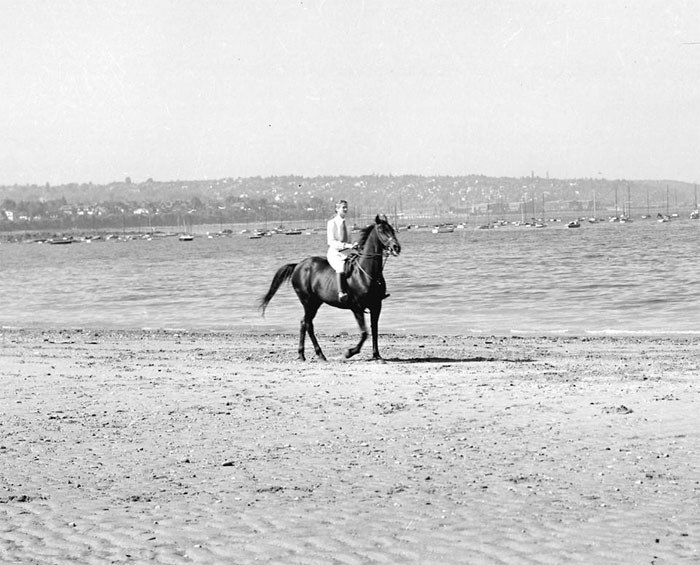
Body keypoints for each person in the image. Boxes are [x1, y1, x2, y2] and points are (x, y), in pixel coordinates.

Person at [327, 199, 357, 302]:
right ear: (337, 209)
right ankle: (341, 293)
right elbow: (331, 242)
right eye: (343, 207)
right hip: (335, 253)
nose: (345, 209)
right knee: (340, 268)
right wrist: (347, 245)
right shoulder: (332, 223)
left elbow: (349, 240)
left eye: (346, 207)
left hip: (347, 251)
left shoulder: (348, 223)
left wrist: (354, 245)